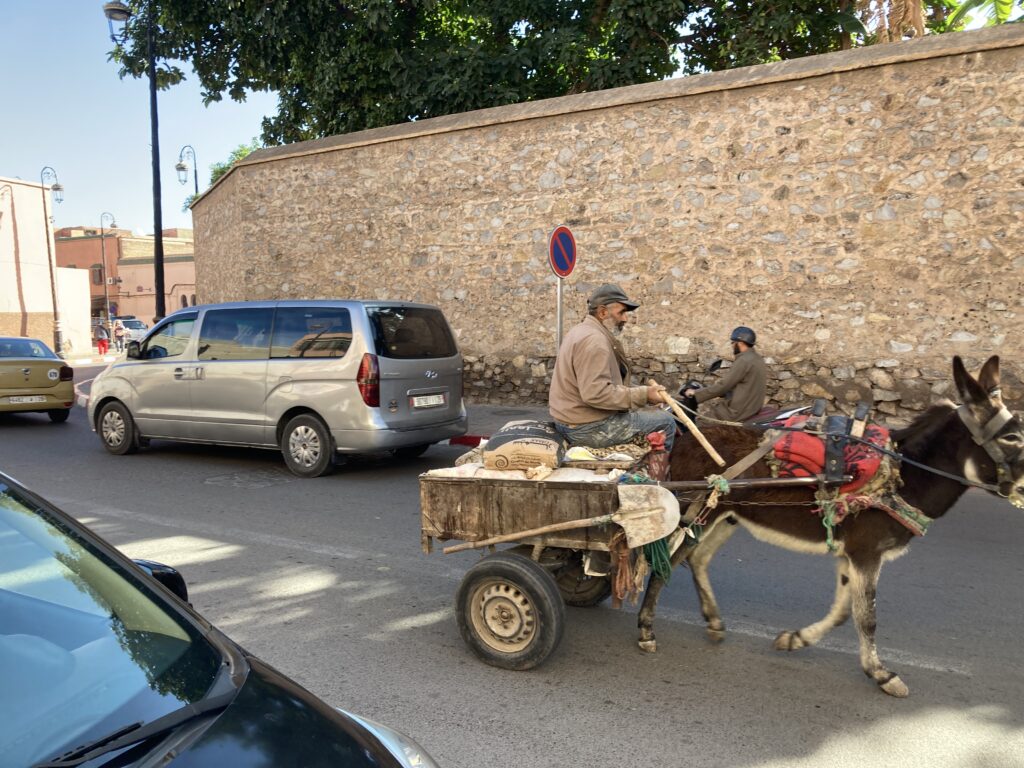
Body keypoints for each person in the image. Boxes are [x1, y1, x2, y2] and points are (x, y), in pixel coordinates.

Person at [549, 283, 677, 452]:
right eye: (621, 312)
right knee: (666, 421)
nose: (625, 318)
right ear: (603, 312)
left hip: (572, 420)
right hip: (585, 428)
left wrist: (644, 398)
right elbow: (596, 394)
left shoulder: (581, 331)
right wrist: (644, 394)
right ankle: (654, 475)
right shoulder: (595, 341)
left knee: (651, 414)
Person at [685, 326, 767, 422]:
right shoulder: (757, 358)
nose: (732, 346)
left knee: (702, 421)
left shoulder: (744, 361)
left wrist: (695, 393)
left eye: (733, 342)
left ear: (740, 343)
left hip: (739, 411)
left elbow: (724, 385)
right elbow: (743, 384)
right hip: (752, 407)